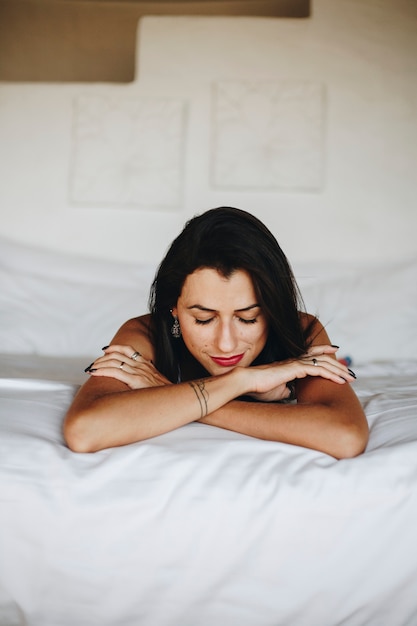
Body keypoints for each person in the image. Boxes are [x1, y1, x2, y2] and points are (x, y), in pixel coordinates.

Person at [64, 206, 368, 458]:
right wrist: (242, 382)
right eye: (203, 319)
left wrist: (168, 392)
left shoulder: (301, 330)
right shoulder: (144, 334)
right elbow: (85, 430)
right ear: (173, 306)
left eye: (248, 318)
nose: (226, 343)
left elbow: (344, 436)